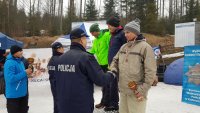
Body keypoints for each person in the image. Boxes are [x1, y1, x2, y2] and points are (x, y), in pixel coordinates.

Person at [55, 28, 116, 113]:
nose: (86, 41)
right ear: (82, 40)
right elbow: (101, 80)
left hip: (63, 105)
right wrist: (112, 73)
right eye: (85, 39)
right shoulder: (86, 58)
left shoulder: (60, 59)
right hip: (81, 105)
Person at [110, 20, 157, 113]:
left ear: (135, 32)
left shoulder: (145, 47)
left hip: (137, 92)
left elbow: (150, 71)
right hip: (123, 90)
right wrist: (114, 70)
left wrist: (142, 90)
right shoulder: (123, 47)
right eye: (125, 32)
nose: (125, 35)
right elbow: (115, 60)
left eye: (128, 32)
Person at [105, 16, 127, 111]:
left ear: (114, 25)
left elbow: (126, 49)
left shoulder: (122, 34)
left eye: (109, 25)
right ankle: (113, 103)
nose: (108, 26)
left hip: (119, 64)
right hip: (112, 64)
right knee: (112, 83)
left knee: (117, 84)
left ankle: (116, 105)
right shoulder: (113, 34)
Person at [4, 45, 33, 113]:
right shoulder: (9, 63)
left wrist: (28, 74)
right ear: (15, 52)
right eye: (20, 51)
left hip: (23, 94)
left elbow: (21, 75)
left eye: (21, 50)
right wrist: (25, 72)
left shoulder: (20, 62)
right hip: (14, 95)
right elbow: (10, 79)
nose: (22, 52)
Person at [89, 23, 111, 109]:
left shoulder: (106, 36)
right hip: (101, 65)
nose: (91, 35)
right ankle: (104, 102)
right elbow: (92, 51)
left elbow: (111, 48)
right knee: (104, 85)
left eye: (92, 33)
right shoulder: (95, 40)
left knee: (108, 85)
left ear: (96, 31)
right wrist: (84, 55)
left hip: (108, 65)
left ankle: (108, 103)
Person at [47, 42, 64, 113]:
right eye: (61, 47)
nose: (63, 49)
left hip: (54, 84)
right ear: (57, 49)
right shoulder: (60, 59)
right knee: (61, 104)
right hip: (59, 85)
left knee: (57, 102)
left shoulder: (52, 59)